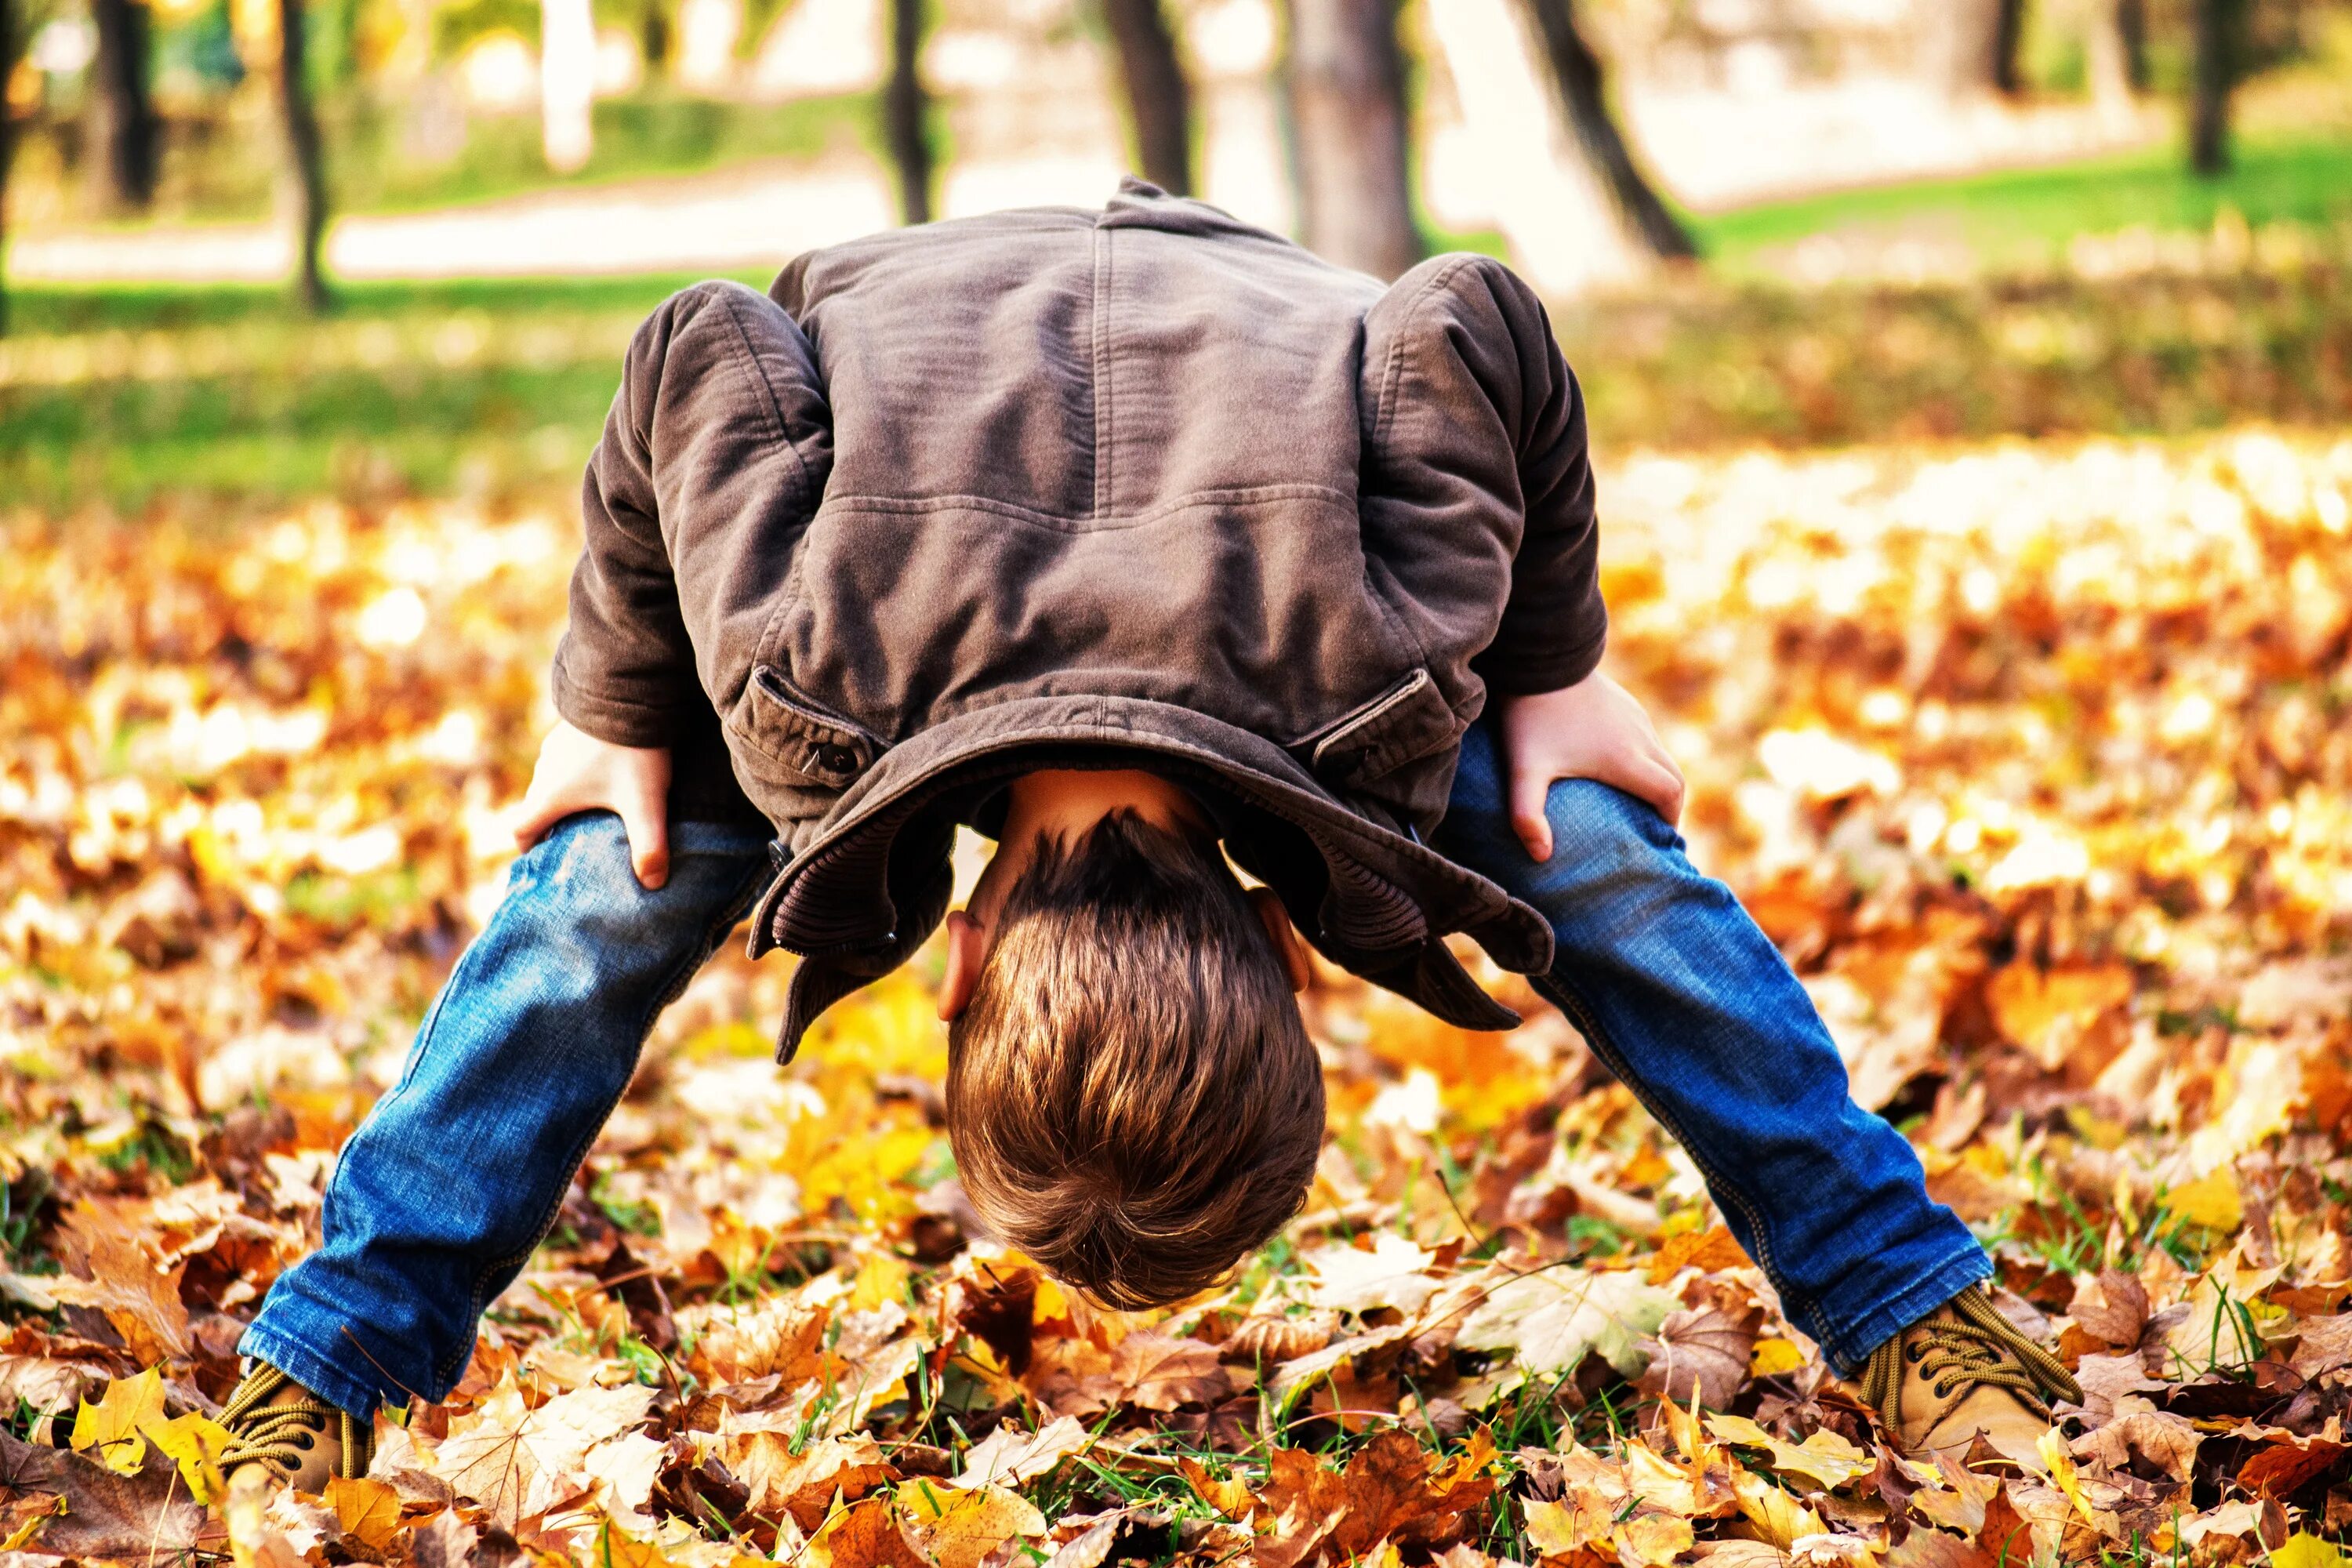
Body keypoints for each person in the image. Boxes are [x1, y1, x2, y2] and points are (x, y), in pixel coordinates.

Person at [220, 179, 2074, 1490]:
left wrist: (1553, 679)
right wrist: (609, 717)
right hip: (988, 380)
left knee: (1562, 822)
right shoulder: (811, 682)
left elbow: (1474, 320)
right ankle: (332, 1355)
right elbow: (695, 351)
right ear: (960, 961)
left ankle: (1903, 1298)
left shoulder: (1372, 674)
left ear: (1268, 941)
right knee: (615, 864)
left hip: (1200, 336)